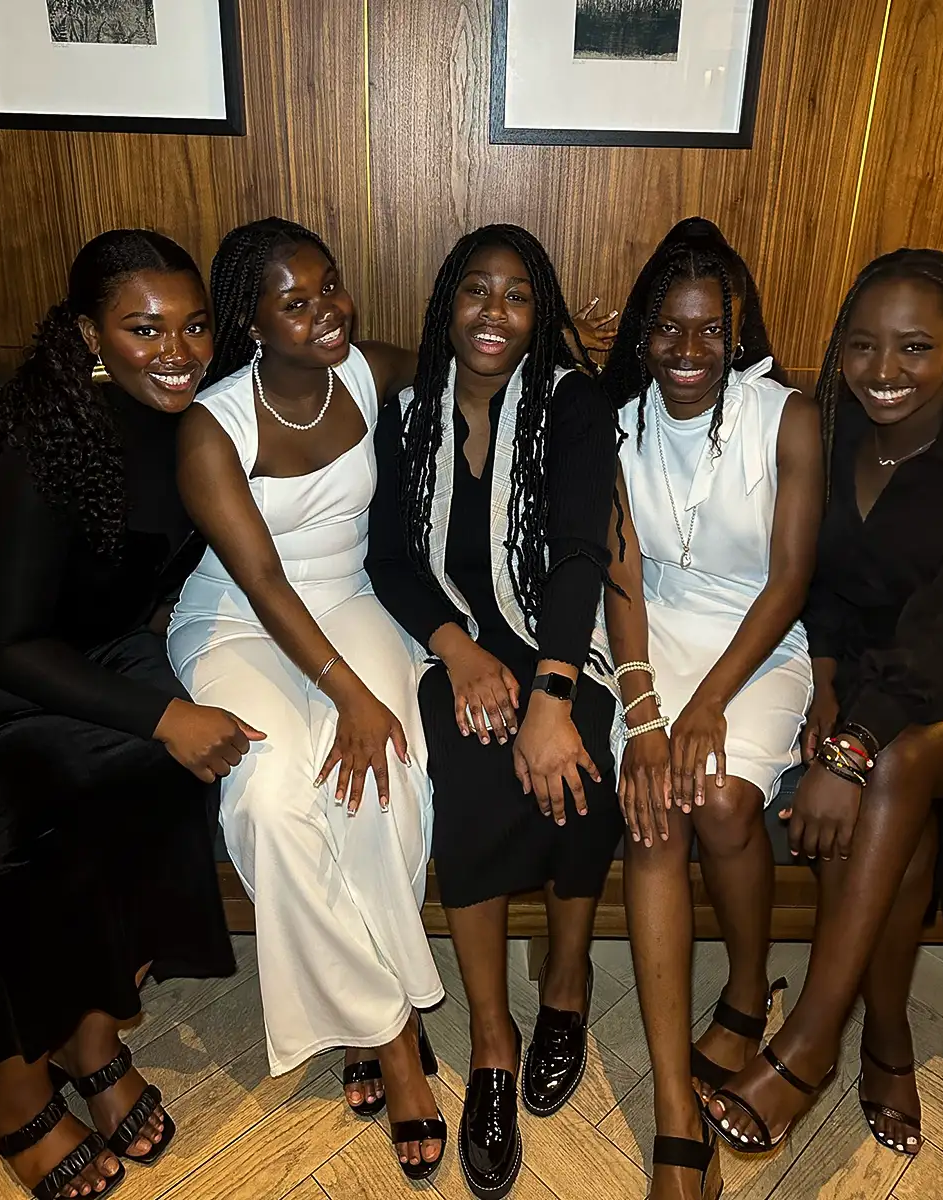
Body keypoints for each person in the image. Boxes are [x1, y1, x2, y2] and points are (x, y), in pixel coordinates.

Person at [0, 230, 249, 1200]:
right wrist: (162, 718)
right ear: (88, 333)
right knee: (63, 816)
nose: (177, 351)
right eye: (144, 328)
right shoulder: (35, 440)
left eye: (194, 326)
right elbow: (3, 643)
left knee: (168, 778)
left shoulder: (182, 415)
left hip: (95, 661)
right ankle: (10, 1077)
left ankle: (90, 1031)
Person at [166, 216, 451, 1181]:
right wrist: (350, 696)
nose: (327, 312)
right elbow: (261, 582)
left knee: (385, 776)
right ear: (251, 322)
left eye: (329, 287)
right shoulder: (214, 425)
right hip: (240, 618)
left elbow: (468, 367)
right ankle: (392, 1031)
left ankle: (367, 1015)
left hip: (353, 599)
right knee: (272, 794)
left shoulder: (368, 369)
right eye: (296, 303)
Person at [706, 248, 943, 1160]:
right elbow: (819, 585)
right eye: (863, 346)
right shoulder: (832, 433)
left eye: (914, 348)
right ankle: (888, 1038)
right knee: (894, 825)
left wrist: (850, 747)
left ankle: (806, 1047)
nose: (884, 371)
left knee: (898, 765)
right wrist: (826, 685)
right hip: (854, 675)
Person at [366, 223, 621, 1200]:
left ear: (536, 314)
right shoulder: (405, 415)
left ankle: (563, 985)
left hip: (558, 637)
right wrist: (460, 654)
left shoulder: (572, 405)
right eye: (476, 290)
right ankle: (490, 1033)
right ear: (447, 305)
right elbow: (389, 559)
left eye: (516, 295)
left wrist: (551, 697)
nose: (494, 312)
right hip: (454, 635)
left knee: (577, 762)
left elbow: (577, 558)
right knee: (468, 770)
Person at [600, 217, 822, 1199]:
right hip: (645, 644)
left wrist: (708, 709)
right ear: (641, 336)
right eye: (666, 331)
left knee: (726, 802)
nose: (685, 353)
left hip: (757, 641)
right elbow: (623, 583)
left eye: (705, 332)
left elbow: (786, 582)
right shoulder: (610, 425)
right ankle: (674, 1117)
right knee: (652, 818)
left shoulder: (789, 418)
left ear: (734, 332)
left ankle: (741, 996)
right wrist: (648, 715)